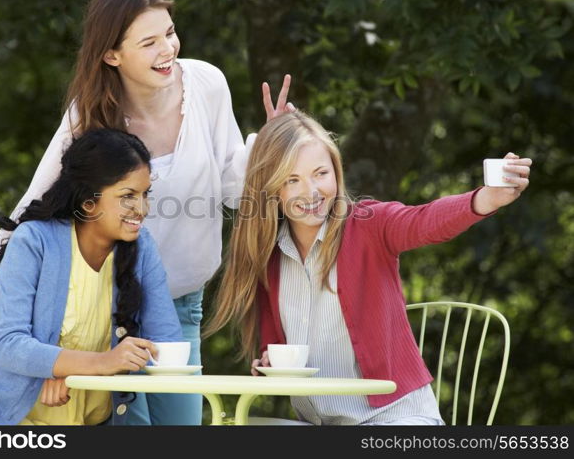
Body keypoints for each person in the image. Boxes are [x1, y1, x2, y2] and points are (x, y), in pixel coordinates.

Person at [0, 0, 292, 424]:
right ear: (112, 54)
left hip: (181, 306)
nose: (167, 49)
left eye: (169, 33)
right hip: (108, 314)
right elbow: (22, 221)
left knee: (182, 428)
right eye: (149, 42)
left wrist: (266, 150)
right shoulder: (90, 115)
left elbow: (233, 192)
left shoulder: (207, 84)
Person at [204, 111, 532, 425]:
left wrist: (484, 199)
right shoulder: (269, 255)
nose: (312, 192)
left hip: (396, 420)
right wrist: (268, 364)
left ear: (336, 171)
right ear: (274, 188)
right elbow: (274, 351)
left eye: (321, 173)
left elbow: (425, 220)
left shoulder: (368, 225)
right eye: (292, 180)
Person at [0, 128, 182, 425]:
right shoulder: (34, 240)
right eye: (128, 196)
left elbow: (166, 342)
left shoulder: (141, 247)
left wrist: (76, 372)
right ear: (88, 201)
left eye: (145, 194)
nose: (142, 209)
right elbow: (7, 345)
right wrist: (97, 364)